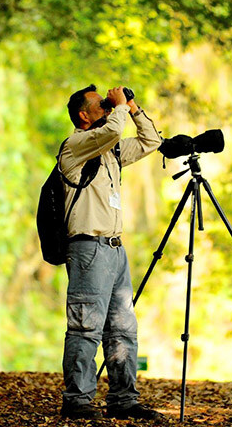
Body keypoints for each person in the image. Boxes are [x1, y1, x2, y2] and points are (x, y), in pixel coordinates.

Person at [58, 84, 163, 420]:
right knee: (86, 326)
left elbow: (151, 142)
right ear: (83, 116)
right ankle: (77, 401)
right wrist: (118, 109)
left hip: (115, 251)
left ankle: (124, 400)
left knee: (122, 329)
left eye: (107, 104)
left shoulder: (110, 151)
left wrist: (132, 107)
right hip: (88, 248)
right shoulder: (75, 146)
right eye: (98, 105)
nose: (106, 107)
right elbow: (114, 128)